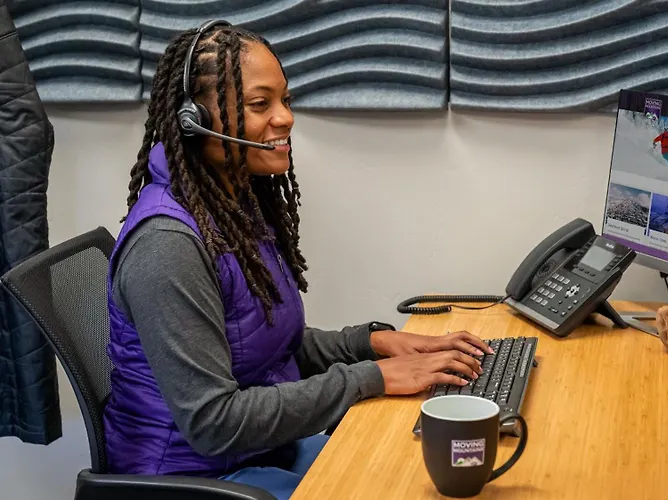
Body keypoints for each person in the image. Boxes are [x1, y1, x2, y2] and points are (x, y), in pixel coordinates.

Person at [102, 20, 491, 500]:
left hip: (259, 451)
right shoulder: (166, 246)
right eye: (260, 104)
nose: (284, 117)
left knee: (407, 467)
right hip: (194, 478)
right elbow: (213, 422)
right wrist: (371, 378)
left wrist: (372, 344)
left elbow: (264, 347)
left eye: (284, 100)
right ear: (192, 119)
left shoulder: (232, 206)